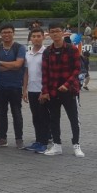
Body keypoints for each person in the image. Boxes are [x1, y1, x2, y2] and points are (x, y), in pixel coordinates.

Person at [40, 23, 84, 157]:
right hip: (53, 90)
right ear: (49, 34)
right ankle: (57, 145)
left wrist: (67, 84)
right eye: (52, 31)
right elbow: (45, 73)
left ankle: (76, 144)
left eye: (57, 31)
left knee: (73, 118)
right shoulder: (47, 51)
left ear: (63, 32)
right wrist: (45, 91)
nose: (55, 34)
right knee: (54, 118)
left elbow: (77, 69)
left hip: (69, 90)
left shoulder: (72, 49)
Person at [0, 24, 26, 148]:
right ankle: (2, 138)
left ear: (13, 33)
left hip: (15, 86)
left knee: (16, 113)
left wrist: (1, 63)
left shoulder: (19, 48)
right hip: (0, 86)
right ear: (0, 34)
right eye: (4, 32)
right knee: (1, 113)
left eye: (9, 32)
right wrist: (12, 66)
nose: (6, 34)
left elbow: (18, 65)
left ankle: (19, 139)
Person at [22, 27, 50, 154]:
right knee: (36, 117)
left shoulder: (46, 53)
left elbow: (48, 73)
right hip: (32, 90)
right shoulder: (28, 54)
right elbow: (26, 73)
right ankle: (38, 140)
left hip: (43, 90)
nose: (36, 39)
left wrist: (45, 91)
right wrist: (25, 89)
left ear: (43, 37)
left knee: (43, 116)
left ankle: (44, 142)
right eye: (34, 36)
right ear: (30, 39)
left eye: (39, 36)